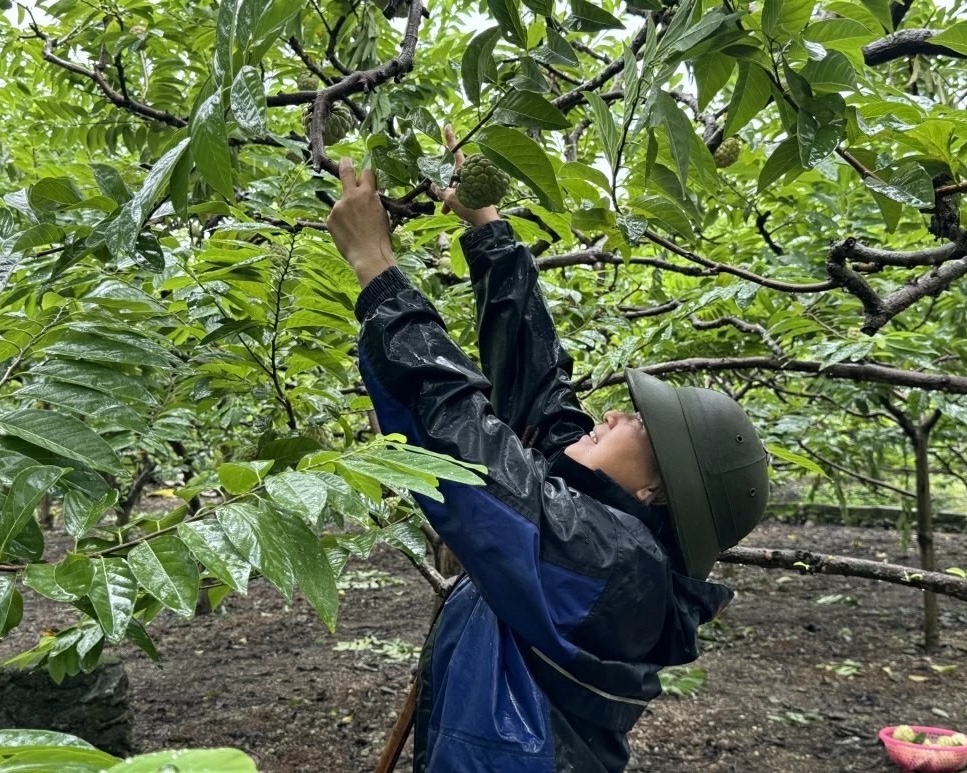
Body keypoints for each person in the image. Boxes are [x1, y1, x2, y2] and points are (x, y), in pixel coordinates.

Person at [325, 128, 770, 773]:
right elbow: (540, 396)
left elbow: (472, 455)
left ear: (656, 492)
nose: (612, 413)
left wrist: (378, 269)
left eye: (639, 426)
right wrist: (489, 232)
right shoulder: (608, 531)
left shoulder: (614, 565)